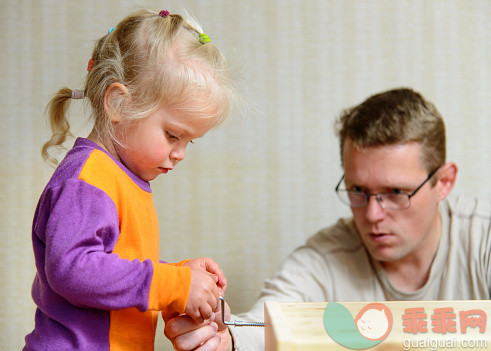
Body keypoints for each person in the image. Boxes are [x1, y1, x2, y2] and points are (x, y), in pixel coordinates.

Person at [163, 88, 491, 351]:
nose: (373, 215)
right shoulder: (324, 259)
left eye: (395, 192)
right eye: (358, 190)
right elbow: (267, 325)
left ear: (444, 182)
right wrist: (225, 341)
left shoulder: (484, 239)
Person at [24, 8, 238, 350]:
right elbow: (73, 270)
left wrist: (182, 276)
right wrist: (173, 283)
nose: (180, 153)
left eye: (188, 142)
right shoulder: (88, 179)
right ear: (120, 104)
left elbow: (112, 270)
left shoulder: (120, 179)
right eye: (172, 135)